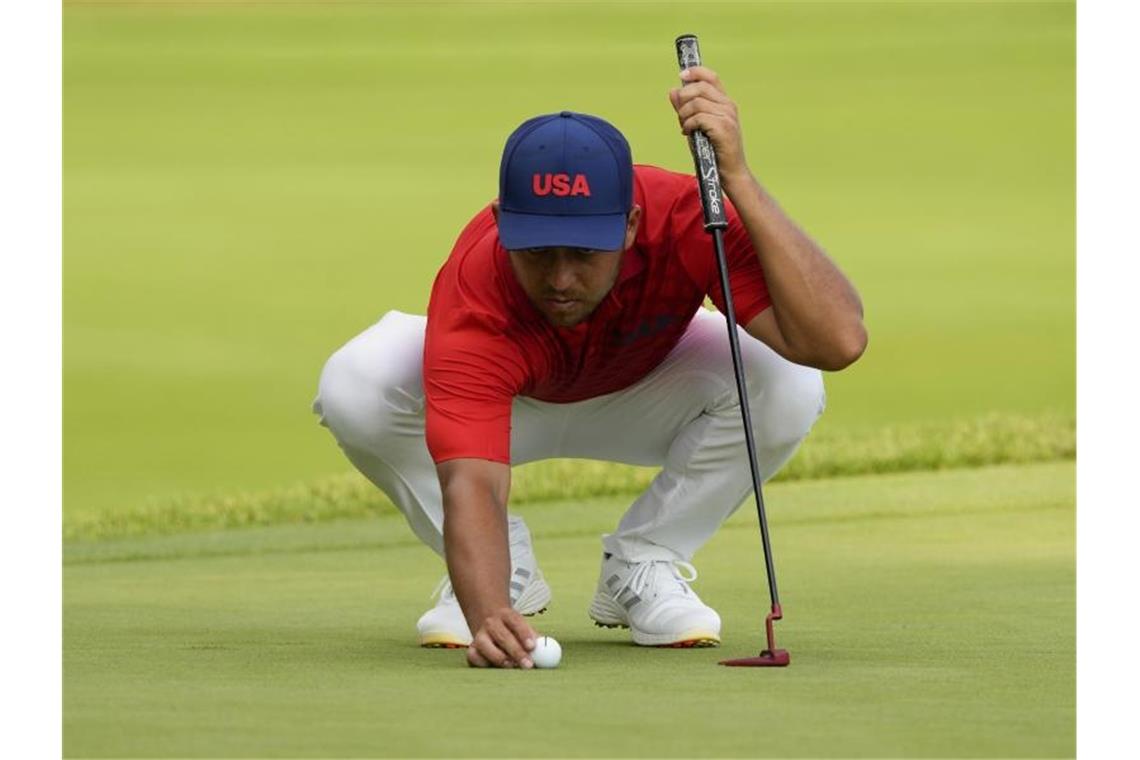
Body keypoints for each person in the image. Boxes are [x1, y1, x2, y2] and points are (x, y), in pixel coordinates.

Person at [313, 66, 867, 669]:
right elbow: (472, 480)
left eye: (583, 252)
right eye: (537, 253)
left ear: (630, 224)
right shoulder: (476, 292)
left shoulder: (687, 215)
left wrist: (737, 178)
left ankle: (644, 562)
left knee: (787, 378)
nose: (560, 279)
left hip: (645, 388)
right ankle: (508, 574)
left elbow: (837, 341)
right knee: (355, 383)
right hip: (510, 402)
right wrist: (488, 611)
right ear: (501, 225)